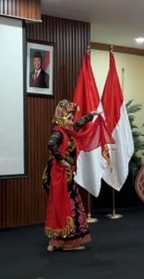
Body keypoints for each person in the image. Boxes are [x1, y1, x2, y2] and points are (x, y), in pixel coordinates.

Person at [42, 99, 101, 251]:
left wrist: (90, 115)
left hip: (62, 175)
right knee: (70, 205)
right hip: (61, 176)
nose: (71, 121)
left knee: (59, 205)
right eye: (68, 118)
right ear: (60, 117)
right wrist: (62, 161)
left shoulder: (66, 131)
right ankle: (69, 243)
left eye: (72, 118)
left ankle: (55, 241)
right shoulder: (58, 133)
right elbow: (51, 144)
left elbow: (78, 124)